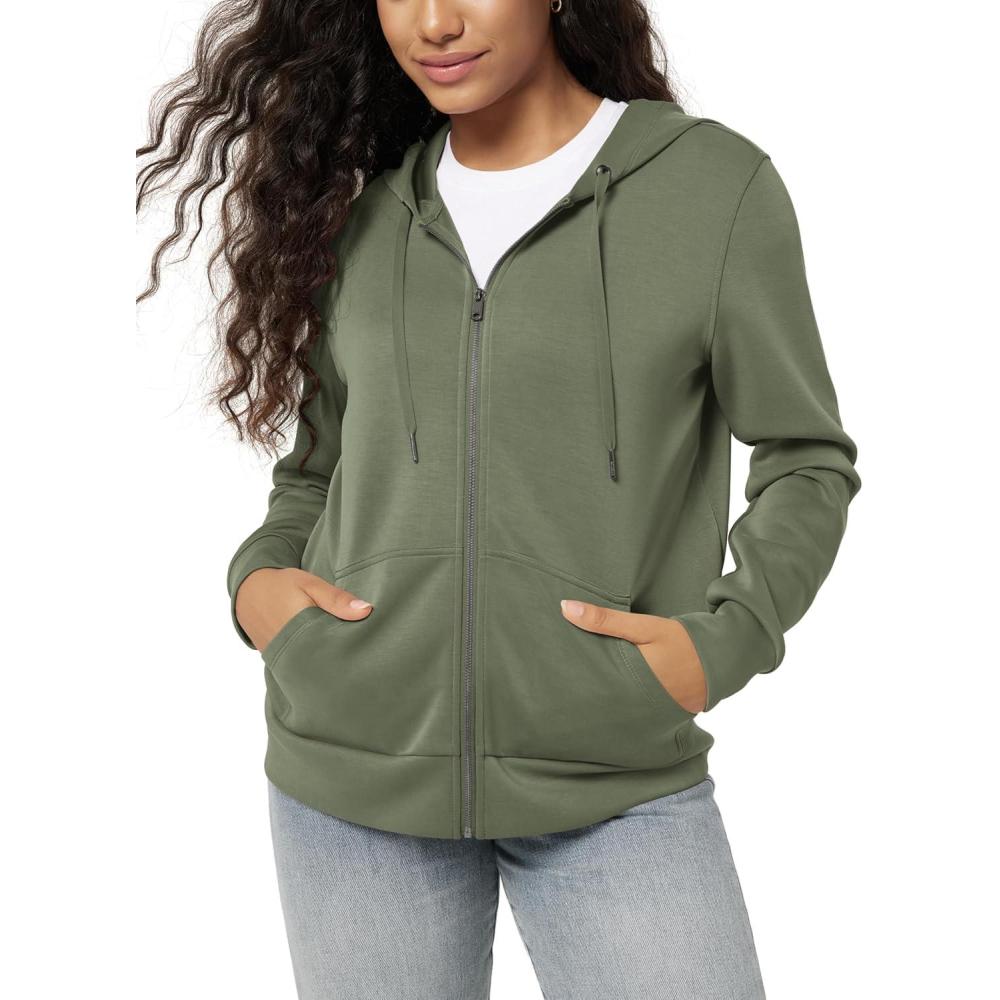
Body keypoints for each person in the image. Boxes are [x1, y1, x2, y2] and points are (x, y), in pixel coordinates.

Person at [136, 1, 861, 997]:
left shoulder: (709, 189)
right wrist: (260, 582)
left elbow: (805, 457)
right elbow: (319, 469)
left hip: (614, 775)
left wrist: (724, 642)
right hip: (352, 775)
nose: (435, 22)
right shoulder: (367, 210)